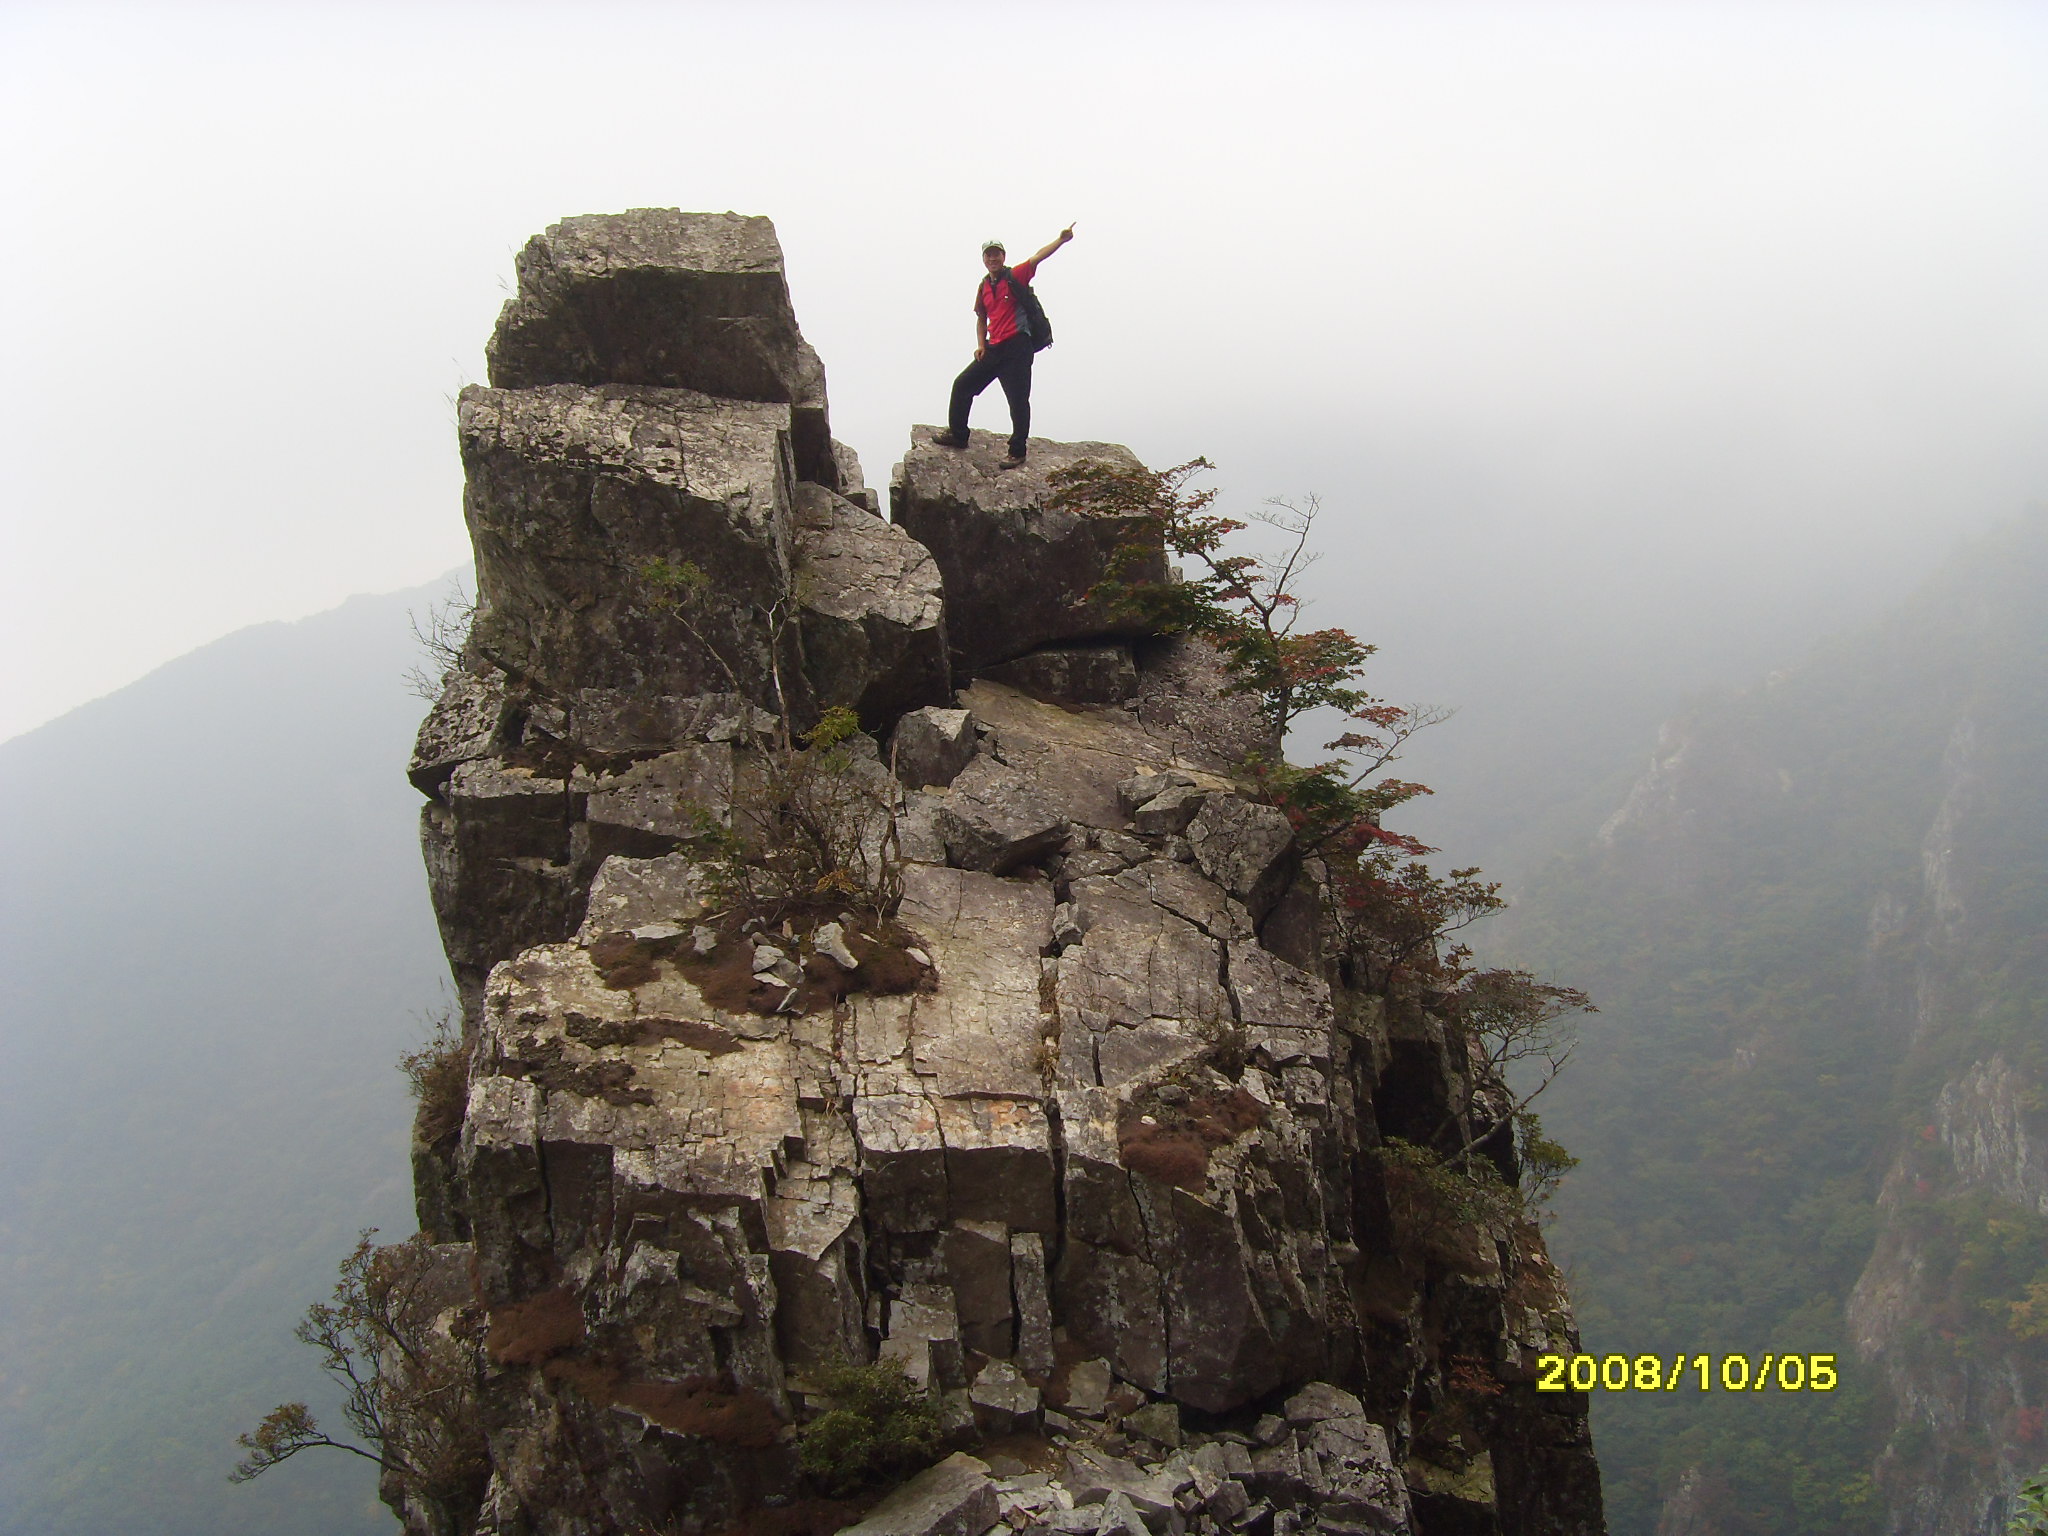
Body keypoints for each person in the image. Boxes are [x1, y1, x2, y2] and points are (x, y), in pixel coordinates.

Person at [931, 225, 1075, 468]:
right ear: (984, 259)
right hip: (993, 348)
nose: (992, 258)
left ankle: (1017, 451)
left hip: (1017, 347)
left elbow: (1038, 256)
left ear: (1003, 256)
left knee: (1018, 401)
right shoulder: (984, 286)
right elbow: (981, 317)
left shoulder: (1015, 275)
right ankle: (958, 434)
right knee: (962, 385)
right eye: (988, 254)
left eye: (996, 253)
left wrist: (1060, 240)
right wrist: (980, 345)